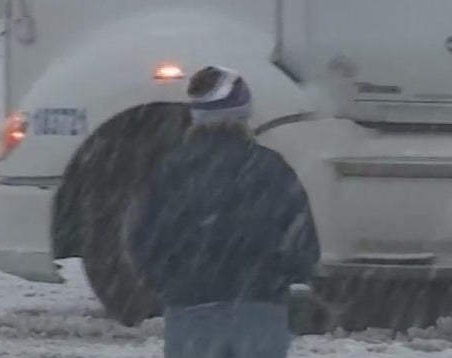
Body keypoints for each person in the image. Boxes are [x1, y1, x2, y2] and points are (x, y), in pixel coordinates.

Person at [126, 65, 320, 358]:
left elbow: (142, 237)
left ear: (196, 116)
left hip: (190, 305)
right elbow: (302, 240)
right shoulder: (271, 168)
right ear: (243, 116)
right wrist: (282, 279)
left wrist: (166, 283)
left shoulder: (172, 171)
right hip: (260, 305)